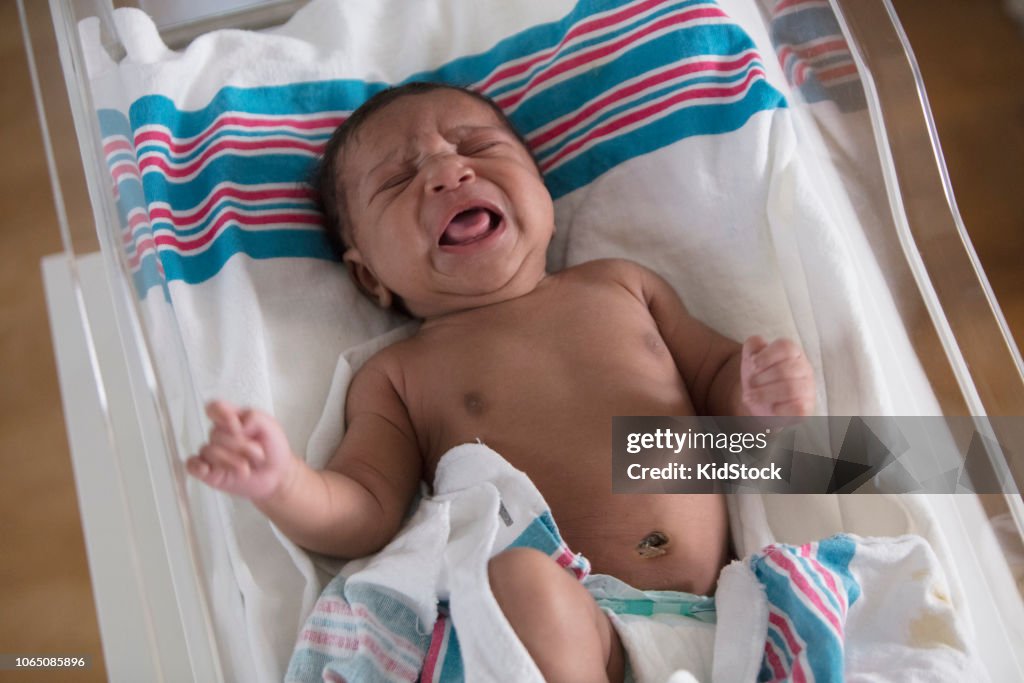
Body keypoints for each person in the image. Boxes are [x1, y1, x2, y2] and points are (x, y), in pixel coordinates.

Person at [187, 82, 815, 682]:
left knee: (871, 457)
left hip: (735, 610)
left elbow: (715, 383)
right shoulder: (400, 374)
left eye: (479, 148)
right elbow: (365, 510)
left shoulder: (621, 285)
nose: (448, 172)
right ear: (369, 279)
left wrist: (758, 394)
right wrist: (284, 483)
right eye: (401, 180)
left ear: (542, 192)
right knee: (520, 581)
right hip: (580, 624)